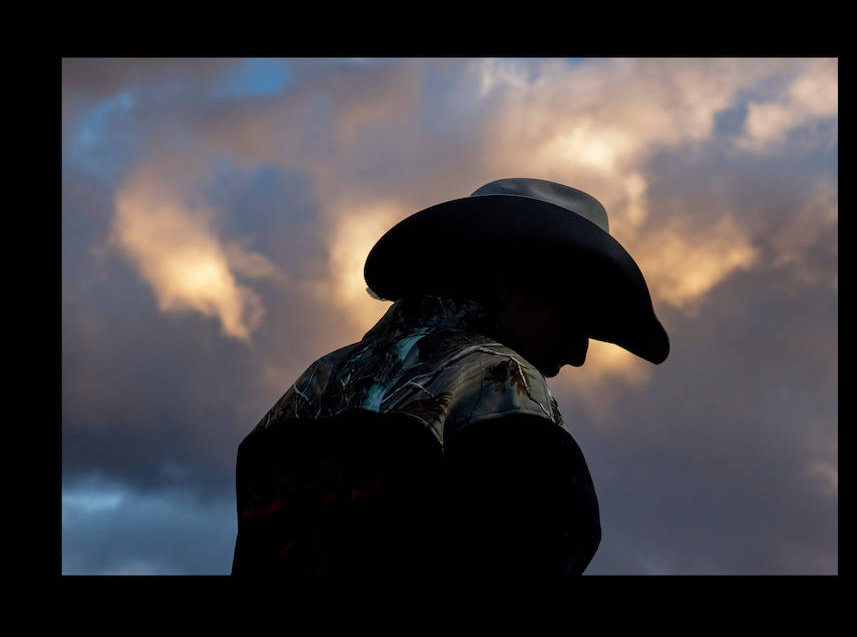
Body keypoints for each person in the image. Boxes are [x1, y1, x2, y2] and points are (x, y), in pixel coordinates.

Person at [231, 178, 669, 577]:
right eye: (574, 317)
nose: (579, 353)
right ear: (506, 286)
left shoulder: (313, 384)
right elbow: (553, 536)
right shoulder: (494, 373)